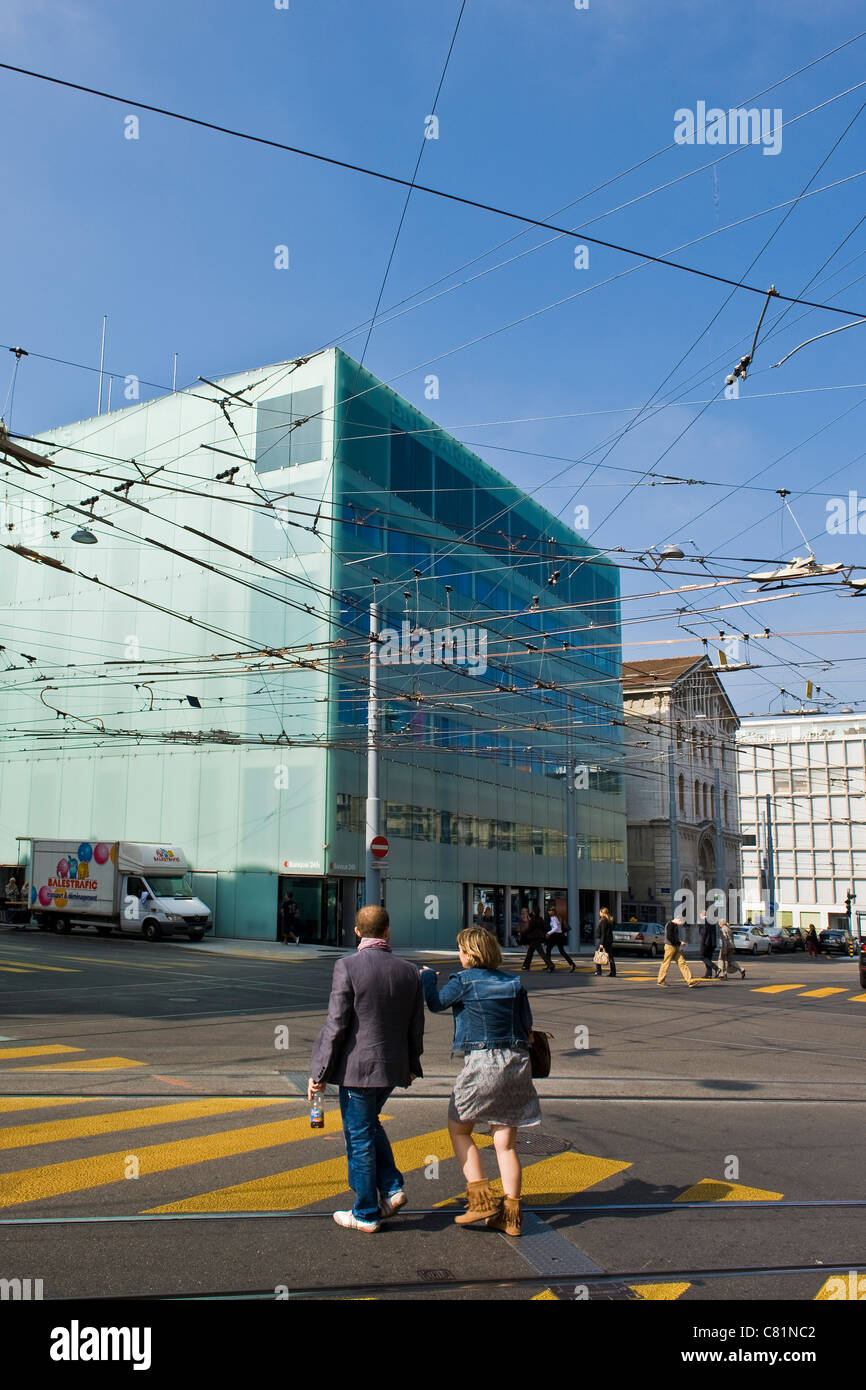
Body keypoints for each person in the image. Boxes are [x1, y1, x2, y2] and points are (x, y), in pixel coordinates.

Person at [308, 905, 424, 1233]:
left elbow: (336, 1025)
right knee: (370, 1125)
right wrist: (413, 1063)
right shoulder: (408, 971)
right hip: (393, 1067)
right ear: (388, 931)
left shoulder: (347, 967)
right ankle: (391, 1188)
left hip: (358, 1070)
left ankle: (366, 1213)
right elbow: (417, 1024)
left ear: (356, 932)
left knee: (358, 1137)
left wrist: (318, 1073)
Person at [420, 927, 540, 1238]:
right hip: (517, 1065)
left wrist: (426, 979)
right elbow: (527, 1024)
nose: (459, 956)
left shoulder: (463, 980)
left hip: (483, 1065)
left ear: (471, 955)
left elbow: (435, 1004)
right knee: (506, 1144)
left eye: (460, 951)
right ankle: (512, 1216)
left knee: (459, 1129)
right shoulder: (514, 982)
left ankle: (481, 1198)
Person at [657, 914, 697, 988]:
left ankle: (690, 981)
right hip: (670, 947)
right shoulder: (670, 925)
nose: (681, 925)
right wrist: (679, 943)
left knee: (682, 963)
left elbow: (673, 938)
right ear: (678, 920)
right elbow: (670, 938)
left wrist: (679, 943)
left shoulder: (674, 925)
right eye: (681, 923)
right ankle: (660, 980)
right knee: (666, 963)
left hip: (675, 947)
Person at [595, 907, 616, 978]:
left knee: (597, 955)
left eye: (600, 912)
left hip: (604, 941)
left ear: (602, 913)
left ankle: (598, 971)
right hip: (608, 941)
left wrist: (601, 943)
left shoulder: (604, 921)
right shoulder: (609, 920)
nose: (599, 913)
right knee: (610, 957)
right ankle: (613, 972)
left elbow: (603, 933)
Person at [699, 913, 717, 979]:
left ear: (702, 915)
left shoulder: (704, 921)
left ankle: (716, 968)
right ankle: (708, 974)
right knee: (708, 958)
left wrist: (702, 942)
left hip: (706, 942)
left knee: (702, 957)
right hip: (712, 943)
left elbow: (704, 933)